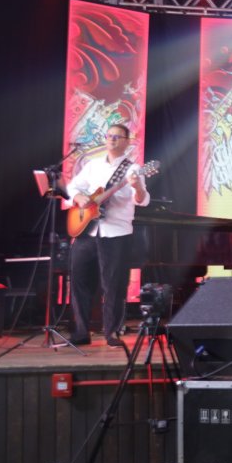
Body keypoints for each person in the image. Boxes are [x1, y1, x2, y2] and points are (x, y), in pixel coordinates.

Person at [66, 123, 150, 347]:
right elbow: (73, 187)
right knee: (79, 281)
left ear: (127, 142)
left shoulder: (133, 169)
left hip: (116, 233)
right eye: (109, 135)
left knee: (114, 285)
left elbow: (142, 200)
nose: (112, 139)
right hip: (87, 231)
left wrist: (138, 187)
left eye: (117, 136)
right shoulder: (92, 165)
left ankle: (111, 332)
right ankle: (81, 332)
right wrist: (79, 198)